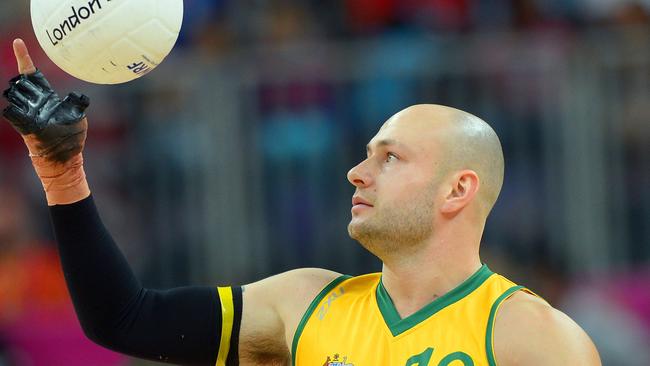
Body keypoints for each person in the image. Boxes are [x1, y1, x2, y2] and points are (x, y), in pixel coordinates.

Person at [2, 39, 601, 366]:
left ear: (458, 190)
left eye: (390, 157)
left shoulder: (529, 338)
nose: (356, 172)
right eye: (366, 153)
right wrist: (63, 175)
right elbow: (124, 321)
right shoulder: (303, 303)